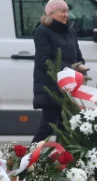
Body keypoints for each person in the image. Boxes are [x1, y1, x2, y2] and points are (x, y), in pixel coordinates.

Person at [32, 0, 88, 143]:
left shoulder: (71, 32)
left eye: (67, 11)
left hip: (69, 89)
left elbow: (79, 57)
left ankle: (64, 162)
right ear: (51, 13)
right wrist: (69, 68)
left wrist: (80, 68)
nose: (66, 15)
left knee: (67, 130)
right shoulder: (42, 31)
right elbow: (43, 60)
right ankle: (27, 161)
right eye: (62, 11)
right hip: (51, 88)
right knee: (48, 128)